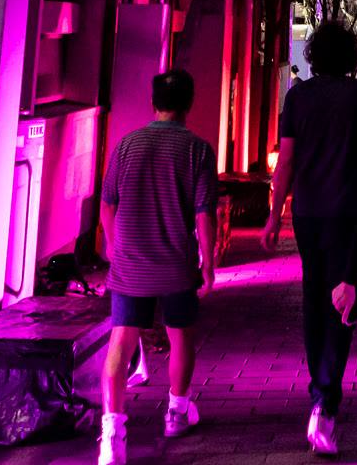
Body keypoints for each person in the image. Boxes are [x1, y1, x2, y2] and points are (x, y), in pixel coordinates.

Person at [263, 21, 357, 455]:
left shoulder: (298, 97)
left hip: (308, 212)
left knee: (315, 298)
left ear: (313, 55)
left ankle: (321, 396)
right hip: (351, 212)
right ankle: (325, 403)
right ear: (351, 55)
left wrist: (274, 215)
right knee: (343, 299)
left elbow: (287, 161)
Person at [99, 70, 220, 465]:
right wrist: (209, 262)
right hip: (175, 263)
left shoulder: (127, 145)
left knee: (121, 341)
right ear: (189, 104)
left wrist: (117, 251)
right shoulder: (197, 150)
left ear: (153, 102)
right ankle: (176, 411)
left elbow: (107, 205)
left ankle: (112, 435)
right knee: (180, 338)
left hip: (130, 264)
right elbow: (204, 213)